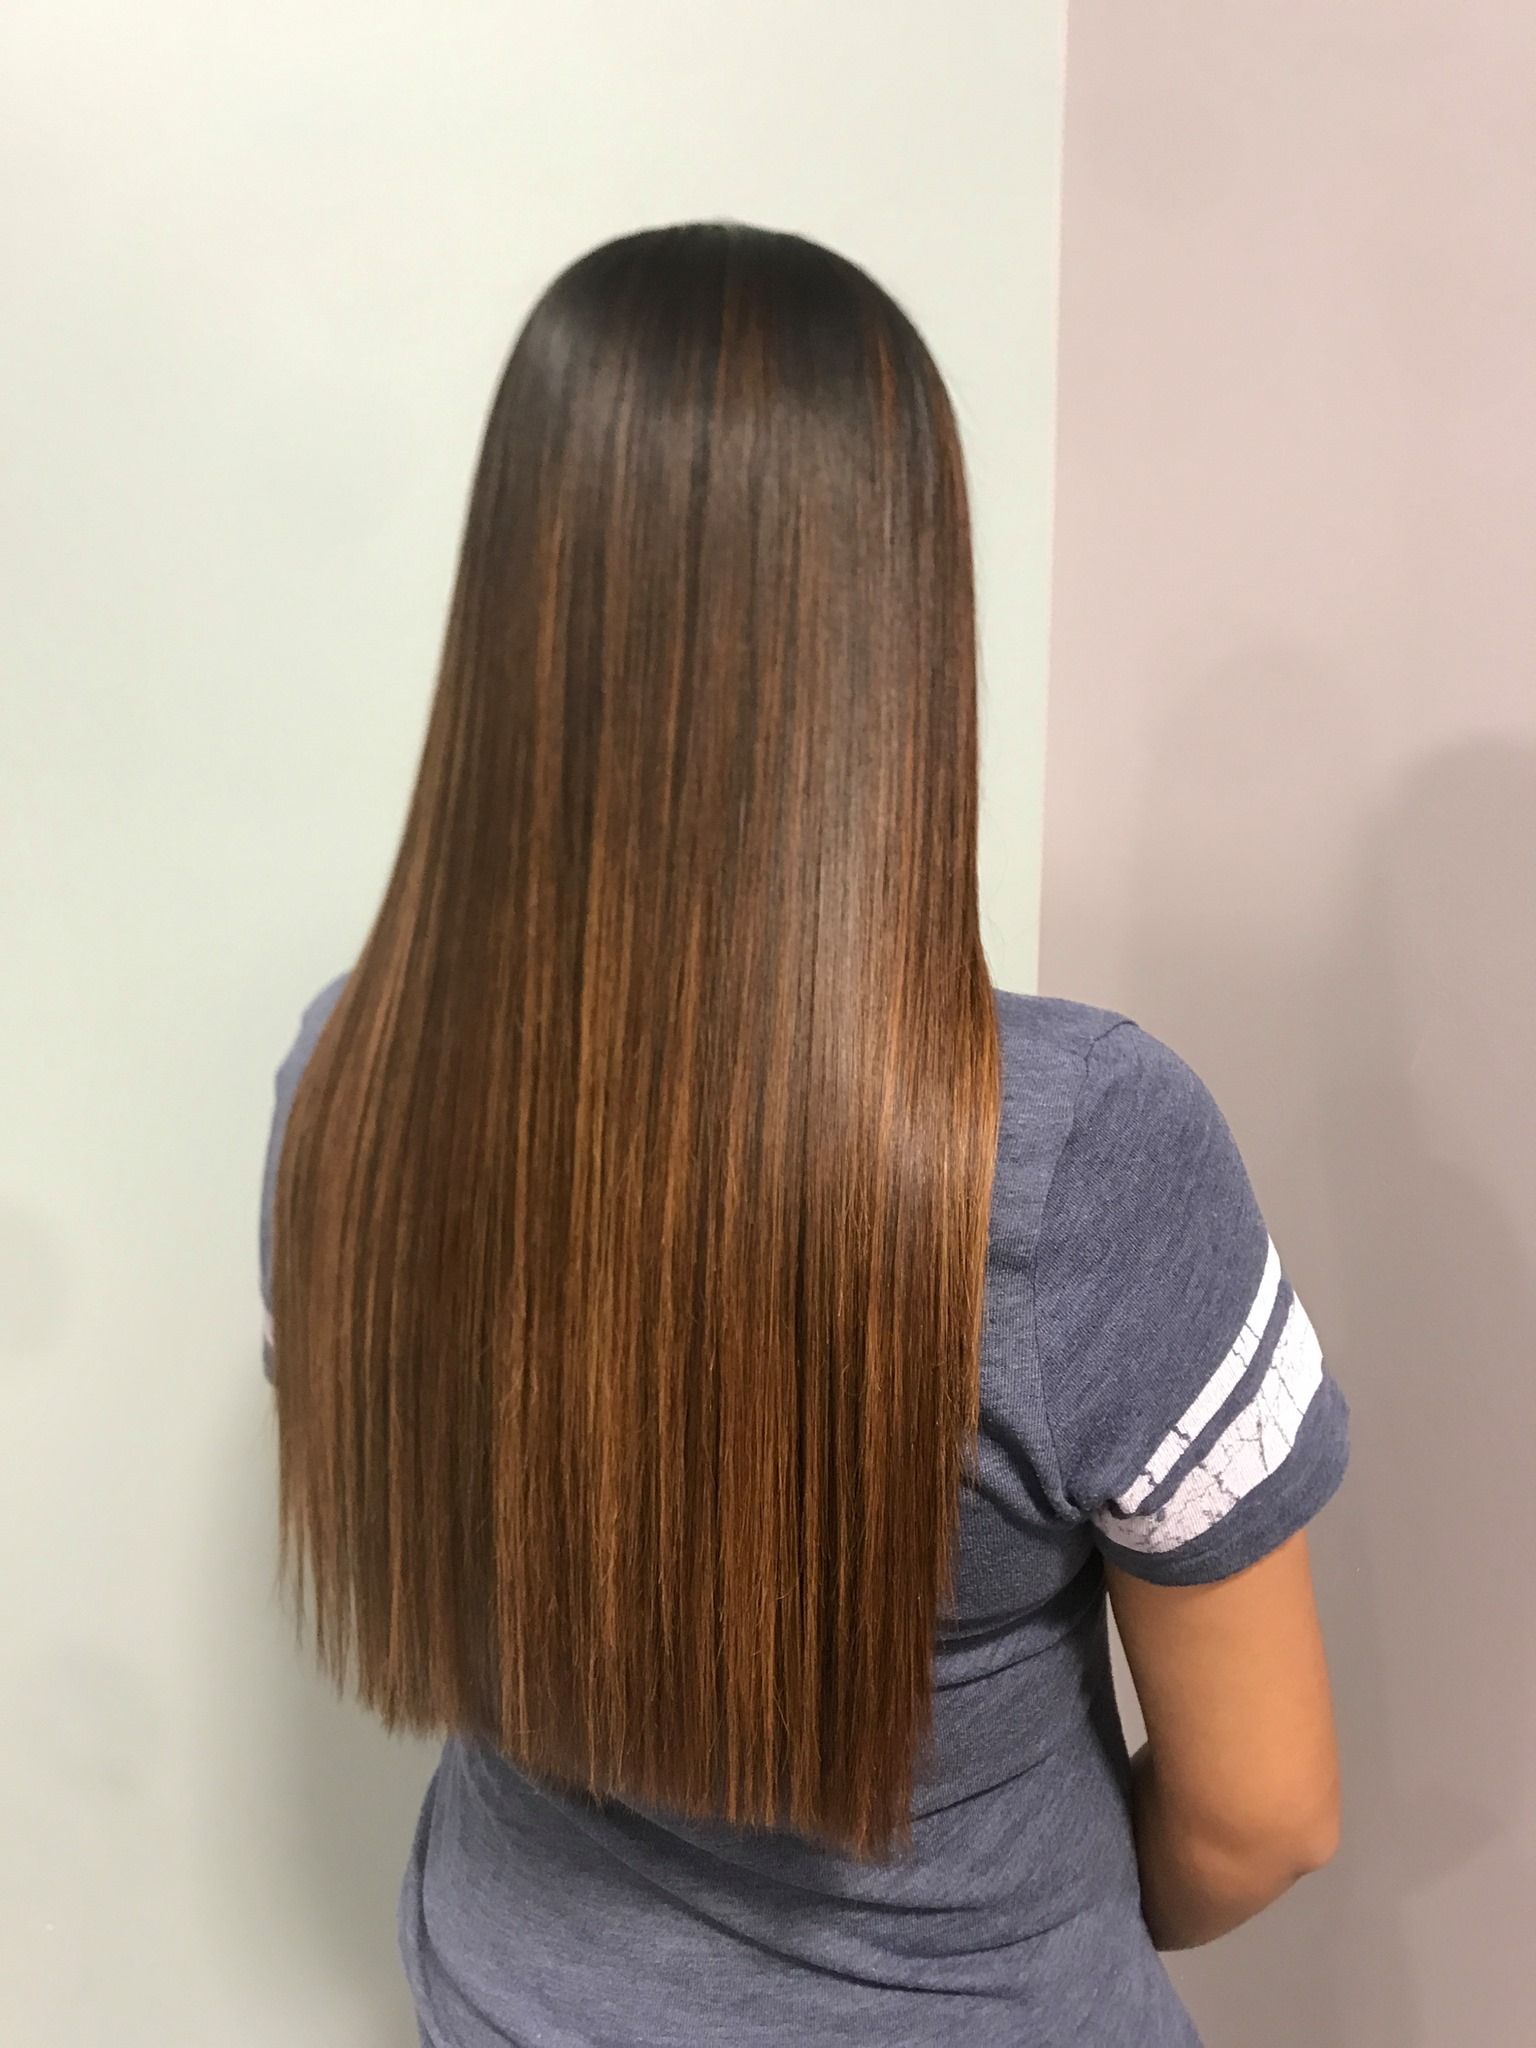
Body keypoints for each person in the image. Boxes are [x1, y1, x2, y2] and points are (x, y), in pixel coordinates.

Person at [258, 222, 1350, 2048]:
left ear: (517, 607)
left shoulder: (345, 1085)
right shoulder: (1076, 1157)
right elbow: (1265, 1814)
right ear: (902, 622)